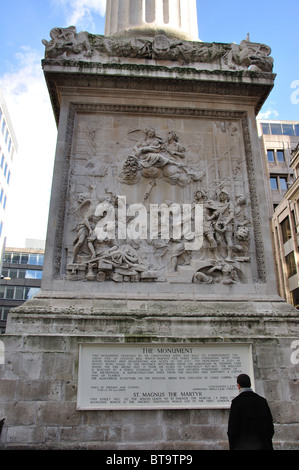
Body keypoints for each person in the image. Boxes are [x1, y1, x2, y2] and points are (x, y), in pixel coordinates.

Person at [227, 373, 274, 450]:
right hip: (263, 445)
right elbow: (270, 427)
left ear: (238, 386)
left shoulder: (236, 403)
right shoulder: (262, 401)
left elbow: (232, 430)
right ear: (250, 384)